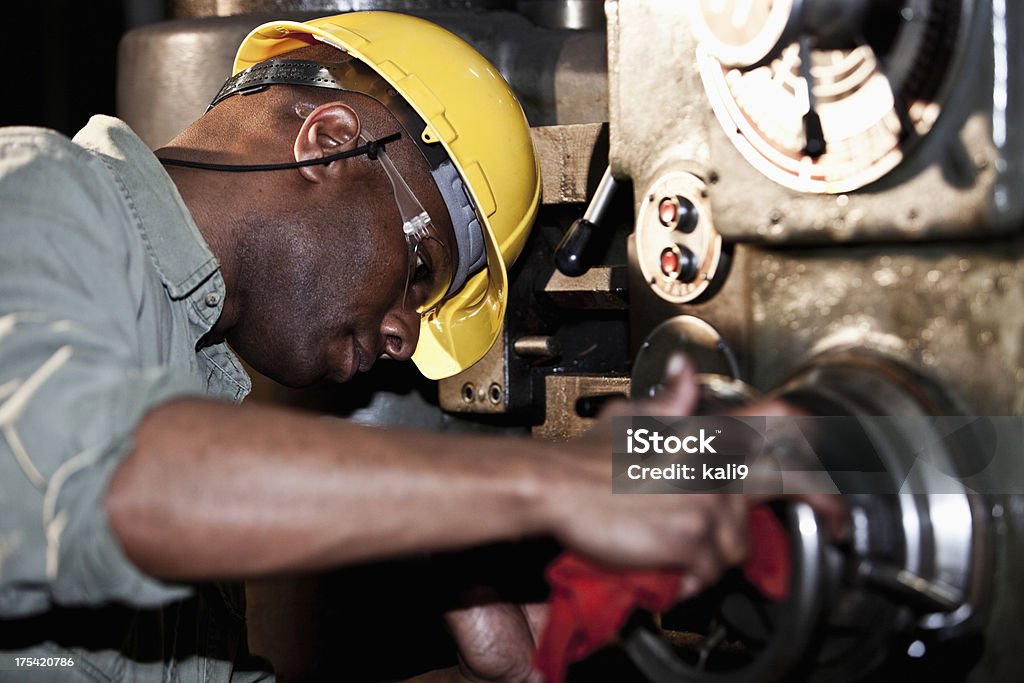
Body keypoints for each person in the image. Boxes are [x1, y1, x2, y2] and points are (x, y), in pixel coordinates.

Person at [0, 11, 845, 682]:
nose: (404, 335)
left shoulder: (195, 389)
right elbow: (103, 477)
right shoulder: (36, 187)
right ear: (331, 141)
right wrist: (560, 480)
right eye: (418, 267)